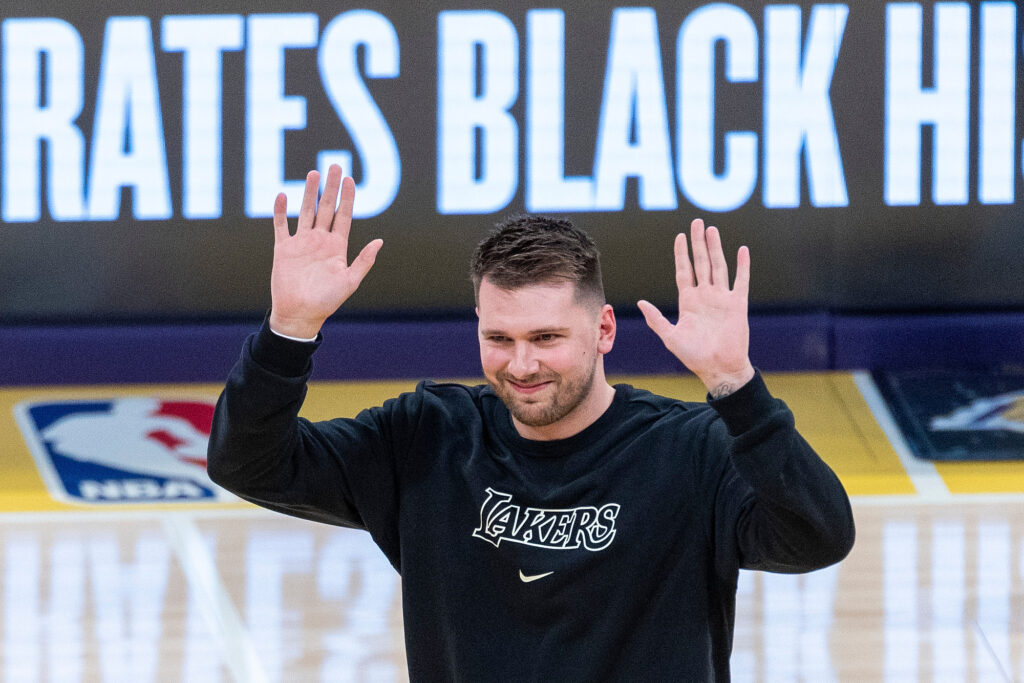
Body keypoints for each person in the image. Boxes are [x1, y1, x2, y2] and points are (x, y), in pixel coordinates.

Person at [207, 164, 855, 680]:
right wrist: (289, 332)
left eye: (546, 336)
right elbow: (250, 462)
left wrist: (735, 386)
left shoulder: (690, 451)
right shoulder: (426, 437)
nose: (521, 364)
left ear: (603, 329)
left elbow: (820, 534)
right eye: (500, 336)